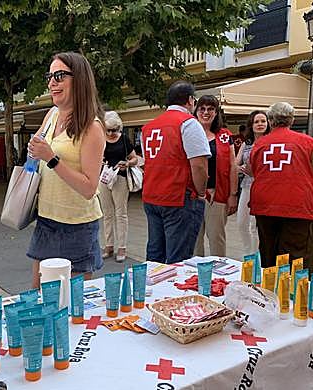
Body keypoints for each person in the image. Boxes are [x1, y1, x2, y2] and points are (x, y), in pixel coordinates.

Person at [27, 52, 105, 288]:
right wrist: (35, 150)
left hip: (77, 226)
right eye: (49, 76)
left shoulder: (92, 127)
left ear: (79, 79)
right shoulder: (51, 115)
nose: (52, 83)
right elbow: (38, 151)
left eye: (59, 76)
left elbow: (90, 188)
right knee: (39, 296)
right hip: (47, 219)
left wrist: (51, 158)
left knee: (70, 304)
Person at [250, 102, 313, 273]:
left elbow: (254, 171)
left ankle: (271, 292)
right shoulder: (307, 143)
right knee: (299, 256)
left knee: (269, 252)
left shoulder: (259, 145)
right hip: (297, 205)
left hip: (265, 205)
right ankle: (298, 294)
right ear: (292, 120)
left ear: (270, 121)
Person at [141, 81, 210, 264]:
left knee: (155, 256)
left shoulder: (148, 128)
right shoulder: (188, 123)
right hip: (178, 197)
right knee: (178, 260)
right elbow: (199, 165)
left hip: (151, 196)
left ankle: (151, 291)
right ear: (190, 100)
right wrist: (201, 192)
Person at [193, 95, 238, 258]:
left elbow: (233, 166)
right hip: (193, 196)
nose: (206, 112)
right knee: (194, 240)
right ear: (196, 111)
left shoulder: (225, 135)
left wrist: (233, 194)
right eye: (202, 109)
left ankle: (219, 277)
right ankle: (195, 274)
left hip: (217, 194)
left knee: (216, 238)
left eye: (210, 109)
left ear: (216, 112)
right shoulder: (188, 132)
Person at [98, 111, 139, 263]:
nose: (111, 133)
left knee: (121, 213)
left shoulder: (124, 140)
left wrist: (127, 163)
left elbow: (135, 158)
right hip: (104, 178)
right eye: (108, 130)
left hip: (120, 178)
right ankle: (109, 245)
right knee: (107, 213)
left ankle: (122, 247)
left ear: (119, 128)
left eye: (114, 130)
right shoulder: (100, 139)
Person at [235, 110, 270, 255]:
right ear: (251, 124)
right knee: (241, 223)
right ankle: (248, 253)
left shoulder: (270, 142)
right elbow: (235, 164)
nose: (260, 124)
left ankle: (257, 257)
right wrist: (241, 168)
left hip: (264, 188)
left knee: (256, 225)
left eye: (263, 121)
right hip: (247, 186)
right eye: (257, 121)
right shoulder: (247, 143)